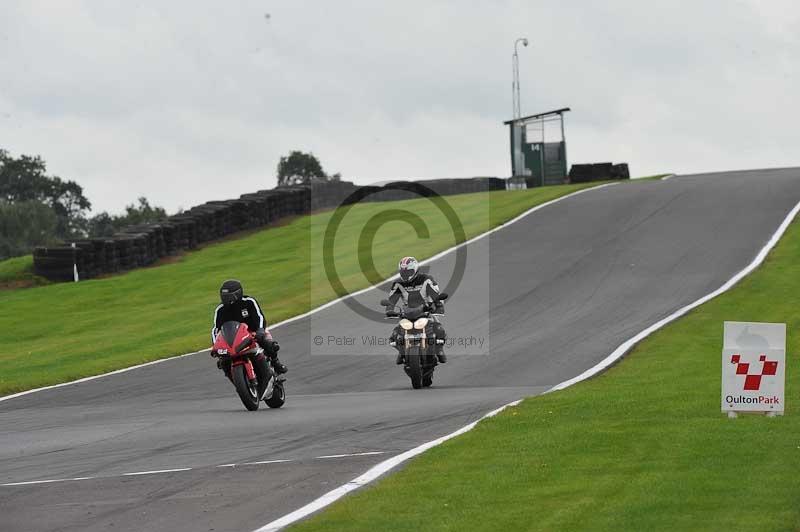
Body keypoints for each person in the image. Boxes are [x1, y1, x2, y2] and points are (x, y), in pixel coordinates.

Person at [211, 279, 287, 374]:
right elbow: (216, 329)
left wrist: (260, 330)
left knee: (268, 343)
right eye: (223, 296)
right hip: (233, 339)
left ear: (237, 294)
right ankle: (234, 377)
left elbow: (260, 317)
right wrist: (215, 344)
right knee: (223, 362)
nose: (225, 299)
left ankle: (276, 362)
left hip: (253, 332)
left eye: (228, 297)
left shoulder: (249, 302)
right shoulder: (220, 310)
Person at [385, 256, 447, 365]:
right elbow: (391, 300)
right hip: (407, 313)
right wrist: (389, 309)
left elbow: (436, 294)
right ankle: (402, 352)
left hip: (426, 311)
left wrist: (438, 306)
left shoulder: (426, 279)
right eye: (403, 272)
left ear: (415, 270)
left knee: (439, 328)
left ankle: (439, 350)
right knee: (394, 336)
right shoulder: (398, 283)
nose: (405, 275)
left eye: (408, 271)